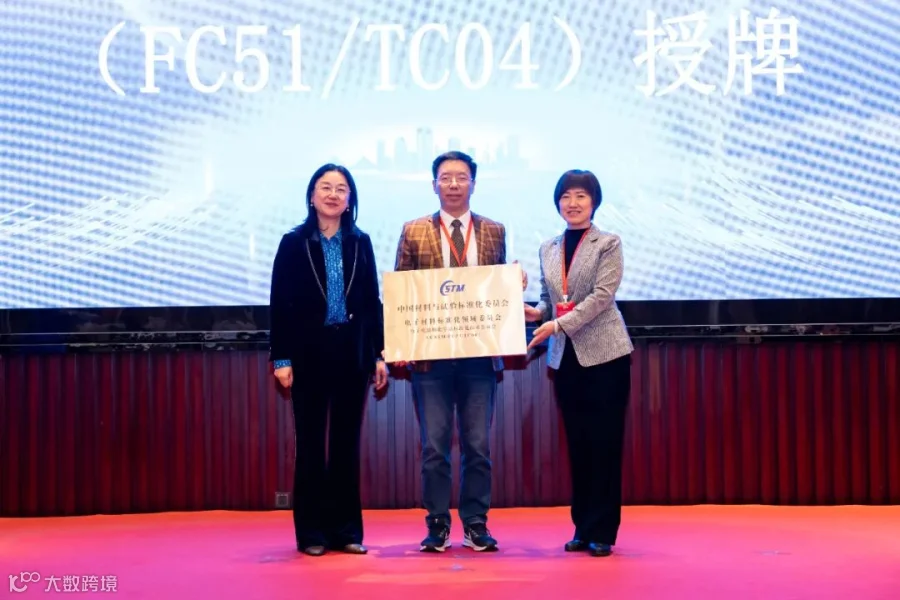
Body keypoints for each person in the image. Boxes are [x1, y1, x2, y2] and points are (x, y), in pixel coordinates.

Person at [392, 150, 511, 553]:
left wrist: (514, 286)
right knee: (434, 448)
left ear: (473, 183)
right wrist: (402, 342)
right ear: (434, 185)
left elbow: (497, 292)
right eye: (446, 178)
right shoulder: (413, 231)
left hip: (479, 356)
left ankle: (476, 523)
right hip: (431, 359)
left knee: (478, 446)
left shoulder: (494, 230)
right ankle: (437, 524)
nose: (454, 184)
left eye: (462, 177)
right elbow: (402, 292)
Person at [268, 163, 388, 557]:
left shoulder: (360, 242)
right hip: (307, 355)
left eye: (341, 189)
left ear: (350, 199)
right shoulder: (294, 242)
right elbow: (280, 303)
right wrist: (281, 358)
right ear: (312, 195)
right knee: (311, 444)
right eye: (326, 187)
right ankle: (311, 534)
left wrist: (378, 354)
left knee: (345, 444)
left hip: (351, 354)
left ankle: (346, 531)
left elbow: (370, 302)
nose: (333, 194)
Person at [525, 169, 633, 558]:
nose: (572, 203)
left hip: (605, 356)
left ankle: (603, 530)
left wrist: (557, 323)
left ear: (594, 202)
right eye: (566, 196)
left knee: (605, 443)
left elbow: (602, 296)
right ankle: (583, 527)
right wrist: (533, 313)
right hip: (566, 360)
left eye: (581, 196)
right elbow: (548, 298)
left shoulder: (609, 243)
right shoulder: (549, 247)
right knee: (579, 444)